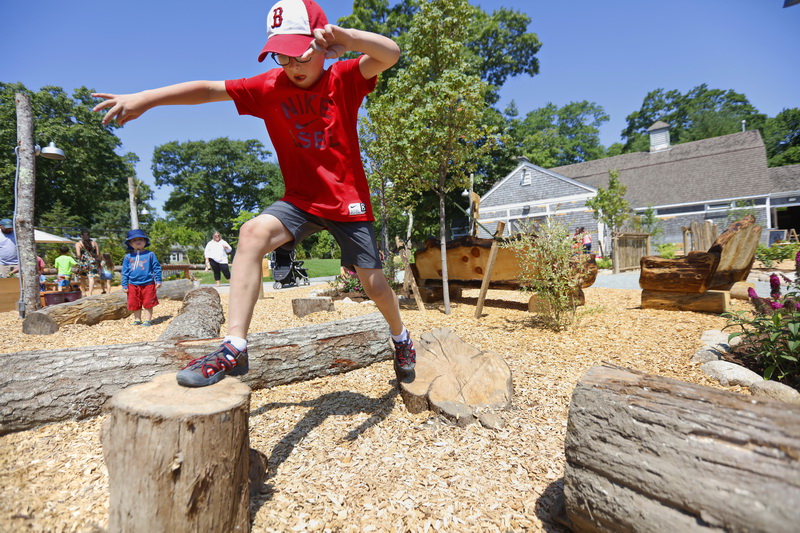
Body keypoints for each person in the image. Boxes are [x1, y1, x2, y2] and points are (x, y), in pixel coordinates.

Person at [93, 0, 414, 388]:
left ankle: (401, 337)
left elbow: (390, 53)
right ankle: (234, 345)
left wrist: (347, 36)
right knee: (251, 233)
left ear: (324, 46)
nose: (292, 66)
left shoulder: (343, 78)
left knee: (374, 284)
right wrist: (147, 98)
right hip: (299, 199)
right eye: (282, 56)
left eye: (300, 55)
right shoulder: (268, 87)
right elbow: (209, 89)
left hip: (347, 200)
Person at [121, 229, 162, 326]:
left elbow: (156, 267)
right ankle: (137, 319)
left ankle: (148, 320)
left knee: (148, 302)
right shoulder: (128, 257)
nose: (137, 241)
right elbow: (125, 271)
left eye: (140, 239)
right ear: (130, 244)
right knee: (134, 302)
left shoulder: (150, 254)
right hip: (132, 284)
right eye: (134, 240)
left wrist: (158, 279)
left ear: (145, 242)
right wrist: (124, 284)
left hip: (148, 283)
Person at [75, 229, 101, 295]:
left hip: (83, 262)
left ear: (81, 236)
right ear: (89, 235)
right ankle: (90, 293)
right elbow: (97, 254)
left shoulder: (78, 244)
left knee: (82, 277)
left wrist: (81, 257)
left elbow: (78, 254)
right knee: (91, 277)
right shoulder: (94, 243)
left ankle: (83, 292)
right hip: (92, 262)